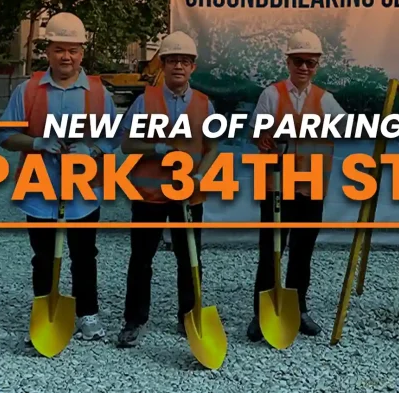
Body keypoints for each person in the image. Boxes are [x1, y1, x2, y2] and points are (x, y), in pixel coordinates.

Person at [0, 12, 120, 344]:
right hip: (38, 189)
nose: (66, 57)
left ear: (82, 52)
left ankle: (87, 315)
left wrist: (91, 150)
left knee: (84, 254)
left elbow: (113, 137)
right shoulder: (28, 91)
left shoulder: (97, 93)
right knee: (43, 256)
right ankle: (45, 311)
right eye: (59, 49)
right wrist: (35, 142)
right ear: (48, 51)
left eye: (73, 50)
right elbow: (6, 135)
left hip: (83, 191)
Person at [116, 31, 220, 347]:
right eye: (173, 60)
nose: (178, 66)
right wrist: (159, 149)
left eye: (184, 61)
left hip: (189, 196)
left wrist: (200, 178)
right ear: (163, 64)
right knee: (141, 259)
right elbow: (126, 144)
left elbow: (213, 148)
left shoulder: (205, 104)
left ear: (193, 67)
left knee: (189, 258)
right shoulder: (144, 101)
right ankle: (134, 320)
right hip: (149, 196)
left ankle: (188, 317)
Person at [245, 29, 347, 341]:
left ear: (317, 66)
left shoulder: (326, 101)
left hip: (311, 187)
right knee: (270, 251)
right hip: (276, 187)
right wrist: (267, 138)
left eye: (310, 62)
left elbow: (347, 130)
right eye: (299, 61)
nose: (304, 67)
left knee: (303, 252)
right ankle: (262, 311)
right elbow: (253, 134)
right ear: (288, 62)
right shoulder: (271, 95)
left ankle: (298, 309)